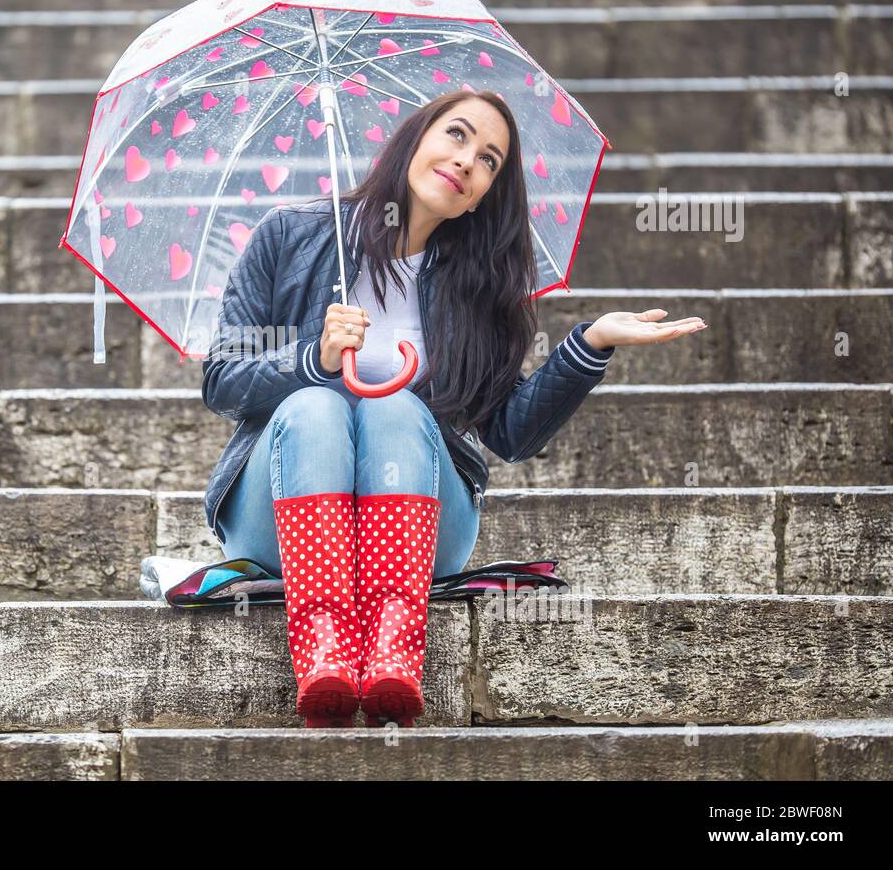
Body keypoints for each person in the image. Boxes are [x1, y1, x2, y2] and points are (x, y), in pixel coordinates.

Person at [201, 89, 707, 727]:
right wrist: (314, 361)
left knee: (396, 412)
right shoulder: (291, 236)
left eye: (490, 161)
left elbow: (511, 434)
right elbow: (221, 378)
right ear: (417, 139)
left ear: (485, 194)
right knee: (314, 410)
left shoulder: (480, 288)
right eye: (458, 135)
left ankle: (394, 651)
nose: (469, 161)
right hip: (281, 522)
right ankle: (322, 650)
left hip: (420, 531)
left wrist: (591, 343)